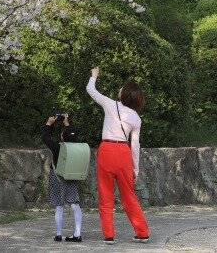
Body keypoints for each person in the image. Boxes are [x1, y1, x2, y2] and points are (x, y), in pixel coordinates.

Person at [87, 66, 149, 244]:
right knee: (129, 196)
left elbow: (91, 90)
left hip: (107, 150)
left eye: (123, 88)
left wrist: (94, 76)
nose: (120, 89)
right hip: (124, 153)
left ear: (125, 93)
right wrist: (135, 170)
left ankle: (109, 235)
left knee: (105, 196)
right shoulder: (136, 118)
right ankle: (142, 232)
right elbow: (135, 145)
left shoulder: (110, 104)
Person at [42, 113, 84, 243]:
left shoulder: (57, 147)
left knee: (59, 206)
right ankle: (77, 234)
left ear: (62, 137)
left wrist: (49, 124)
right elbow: (73, 134)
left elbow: (45, 137)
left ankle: (59, 234)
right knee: (75, 205)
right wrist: (67, 123)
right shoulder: (76, 147)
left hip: (57, 178)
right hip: (71, 178)